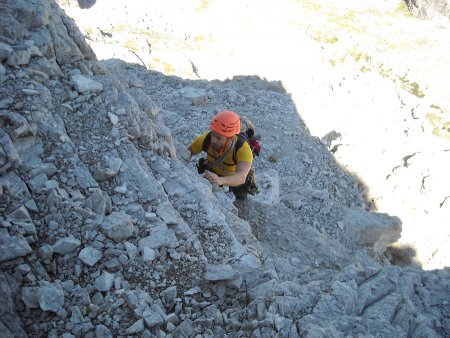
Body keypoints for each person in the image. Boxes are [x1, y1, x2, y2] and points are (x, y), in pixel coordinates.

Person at [188, 110, 254, 200]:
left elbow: (241, 177)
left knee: (241, 195)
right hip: (213, 170)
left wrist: (221, 180)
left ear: (230, 138)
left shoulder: (242, 149)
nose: (213, 140)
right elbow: (187, 153)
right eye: (213, 134)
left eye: (218, 138)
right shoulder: (205, 139)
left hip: (234, 178)